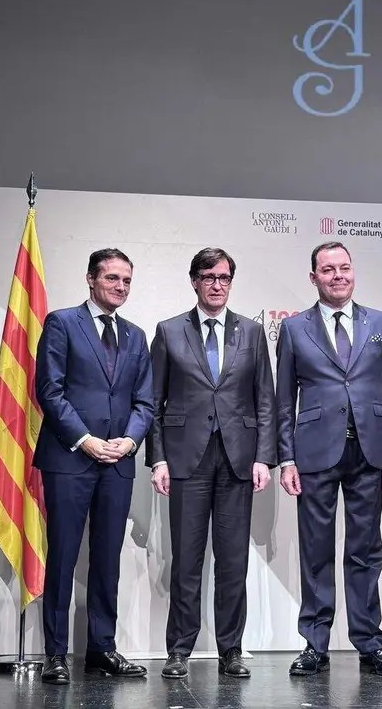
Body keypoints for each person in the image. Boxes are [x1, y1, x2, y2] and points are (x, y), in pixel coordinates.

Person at [275, 241, 382, 678]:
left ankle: (370, 644)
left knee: (365, 551)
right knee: (316, 550)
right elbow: (282, 400)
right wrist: (286, 459)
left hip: (369, 451)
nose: (338, 275)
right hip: (315, 452)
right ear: (313, 277)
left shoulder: (381, 324)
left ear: (354, 273)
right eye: (328, 269)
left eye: (344, 267)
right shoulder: (294, 330)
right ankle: (314, 645)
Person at [148, 247, 277, 679]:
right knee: (186, 560)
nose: (217, 284)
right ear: (194, 281)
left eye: (224, 277)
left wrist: (264, 457)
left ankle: (231, 651)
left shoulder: (253, 333)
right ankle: (179, 651)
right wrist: (158, 459)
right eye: (209, 277)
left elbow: (265, 401)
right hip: (187, 460)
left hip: (238, 459)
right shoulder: (169, 332)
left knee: (233, 561)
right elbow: (154, 403)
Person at [33, 248, 154, 684]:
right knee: (63, 556)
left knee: (108, 559)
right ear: (90, 279)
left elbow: (145, 401)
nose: (119, 287)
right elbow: (49, 391)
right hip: (69, 459)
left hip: (117, 462)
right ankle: (55, 655)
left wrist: (130, 439)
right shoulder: (63, 323)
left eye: (126, 280)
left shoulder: (137, 336)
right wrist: (85, 440)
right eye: (111, 279)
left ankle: (102, 649)